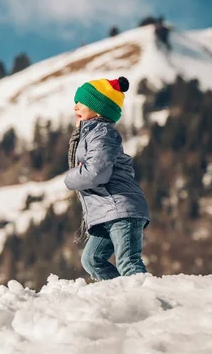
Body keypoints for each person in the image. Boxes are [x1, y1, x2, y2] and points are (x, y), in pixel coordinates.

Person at [64, 76, 150, 281]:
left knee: (128, 262)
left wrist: (70, 178)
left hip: (121, 209)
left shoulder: (102, 134)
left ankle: (148, 300)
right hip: (108, 212)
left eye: (82, 102)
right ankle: (120, 295)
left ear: (99, 109)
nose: (76, 106)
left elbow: (97, 172)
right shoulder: (89, 134)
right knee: (92, 260)